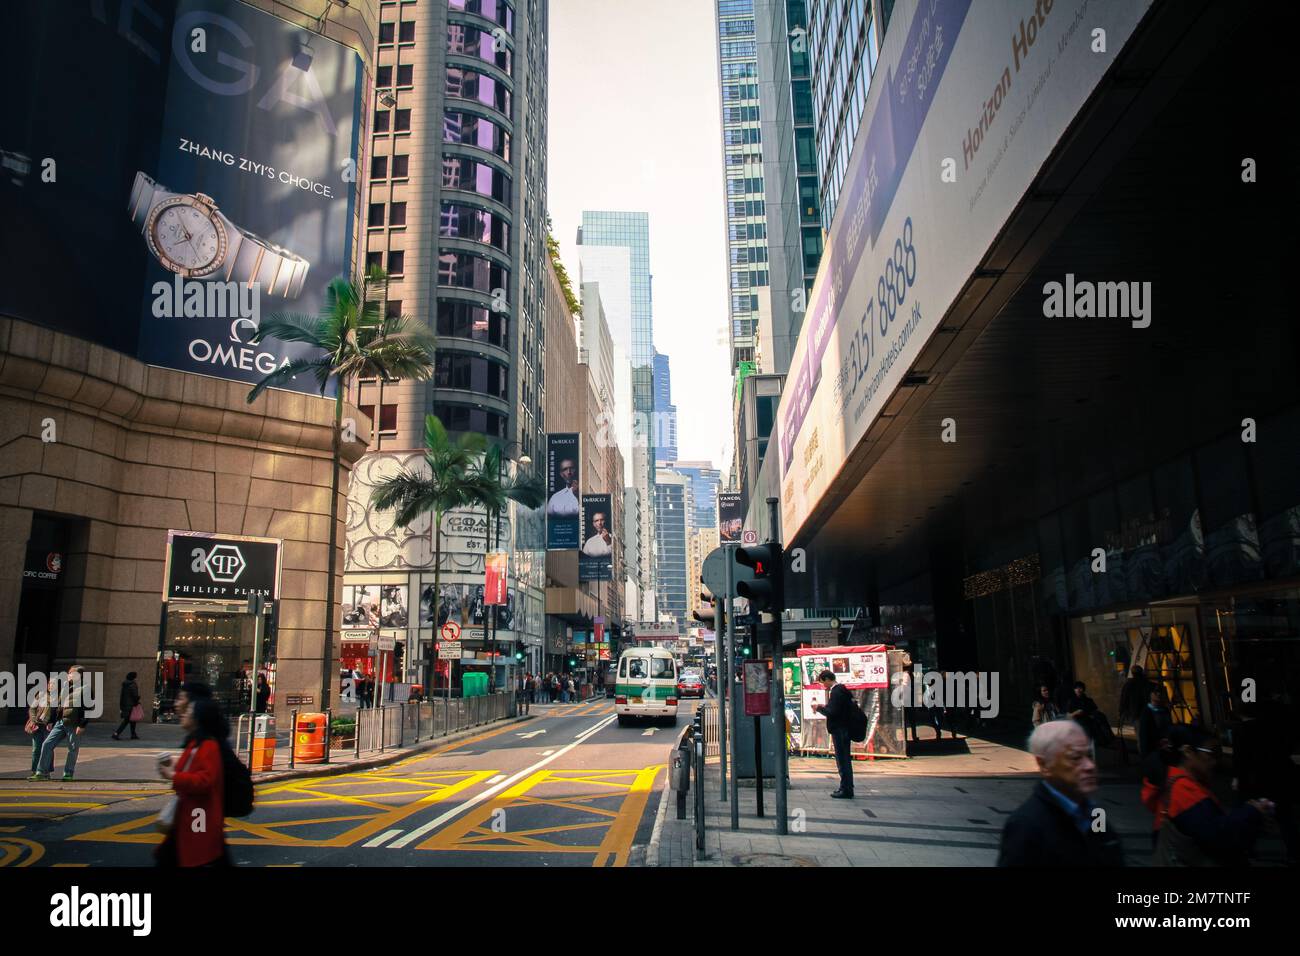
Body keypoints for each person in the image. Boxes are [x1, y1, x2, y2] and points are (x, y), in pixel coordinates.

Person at [1140, 724, 1271, 866]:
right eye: (1212, 752)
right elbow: (1219, 836)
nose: (1216, 760)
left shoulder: (1178, 781)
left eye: (1219, 753)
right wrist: (1252, 812)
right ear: (1188, 751)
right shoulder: (1184, 789)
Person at [997, 721, 1124, 866]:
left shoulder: (1095, 814)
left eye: (1089, 755)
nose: (1089, 766)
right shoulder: (1026, 825)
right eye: (1075, 758)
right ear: (1045, 765)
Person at [156, 697, 230, 867]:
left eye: (189, 712)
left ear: (198, 718)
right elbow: (193, 770)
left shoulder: (208, 745)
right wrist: (173, 765)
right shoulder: (194, 743)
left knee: (198, 857)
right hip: (188, 817)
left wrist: (172, 776)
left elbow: (205, 780)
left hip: (199, 818)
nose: (184, 714)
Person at [35, 665, 90, 781]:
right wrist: (51, 721)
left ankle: (68, 773)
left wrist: (82, 725)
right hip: (60, 723)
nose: (69, 675)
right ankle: (41, 772)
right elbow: (59, 705)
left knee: (72, 749)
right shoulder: (65, 686)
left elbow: (89, 709)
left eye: (71, 673)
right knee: (47, 744)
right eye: (69, 673)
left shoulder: (86, 689)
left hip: (74, 723)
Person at [813, 670, 856, 798]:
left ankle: (846, 789)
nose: (823, 686)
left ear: (827, 679)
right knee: (845, 759)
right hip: (844, 729)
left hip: (840, 730)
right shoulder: (841, 690)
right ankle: (847, 787)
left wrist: (819, 708)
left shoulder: (836, 691)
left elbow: (832, 712)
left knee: (842, 760)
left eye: (822, 682)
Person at [1066, 681, 1114, 746]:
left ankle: (1108, 738)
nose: (1079, 690)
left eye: (1080, 688)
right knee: (1088, 726)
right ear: (1074, 690)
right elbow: (1068, 716)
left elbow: (1095, 709)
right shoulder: (1071, 701)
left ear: (1083, 689)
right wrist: (1075, 713)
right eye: (1077, 688)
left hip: (1089, 718)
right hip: (1079, 720)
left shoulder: (1088, 700)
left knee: (1100, 718)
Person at [25, 678, 54, 779]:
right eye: (50, 684)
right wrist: (33, 720)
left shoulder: (59, 697)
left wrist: (52, 722)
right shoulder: (41, 694)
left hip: (49, 727)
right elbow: (32, 708)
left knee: (48, 749)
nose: (51, 686)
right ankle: (35, 771)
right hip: (37, 725)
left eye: (54, 684)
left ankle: (46, 772)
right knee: (36, 749)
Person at [1138, 686, 1173, 757]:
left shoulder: (1165, 710)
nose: (1158, 694)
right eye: (1155, 692)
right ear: (1150, 694)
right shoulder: (1146, 713)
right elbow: (1144, 736)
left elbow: (1169, 727)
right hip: (1153, 750)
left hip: (1165, 748)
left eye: (1160, 692)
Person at [113, 671, 142, 740]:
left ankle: (133, 734)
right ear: (134, 677)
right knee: (127, 720)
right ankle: (116, 734)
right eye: (135, 677)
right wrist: (138, 700)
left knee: (132, 720)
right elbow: (135, 696)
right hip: (131, 705)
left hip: (125, 704)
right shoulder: (133, 685)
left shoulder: (125, 684)